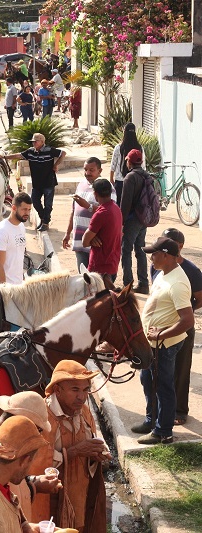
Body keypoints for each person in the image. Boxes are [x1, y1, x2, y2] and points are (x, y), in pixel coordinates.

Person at [30, 360, 111, 532]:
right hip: (49, 502)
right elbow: (32, 466)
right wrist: (74, 452)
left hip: (79, 498)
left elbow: (92, 443)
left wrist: (97, 455)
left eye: (85, 390)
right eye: (75, 390)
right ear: (58, 389)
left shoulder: (85, 412)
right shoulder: (41, 417)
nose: (82, 397)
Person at [131, 237, 194, 445]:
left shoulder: (178, 283)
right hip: (152, 343)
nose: (151, 257)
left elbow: (187, 320)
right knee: (148, 380)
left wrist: (161, 334)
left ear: (166, 255)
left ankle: (163, 432)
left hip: (165, 345)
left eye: (154, 253)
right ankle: (152, 421)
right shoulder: (162, 273)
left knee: (163, 386)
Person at [0, 392, 60, 522]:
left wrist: (33, 481)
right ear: (22, 424)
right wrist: (35, 487)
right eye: (38, 430)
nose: (37, 436)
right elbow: (0, 497)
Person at [154, 229, 202, 426]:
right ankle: (160, 411)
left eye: (169, 241)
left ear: (179, 247)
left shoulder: (191, 271)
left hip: (182, 326)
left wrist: (183, 314)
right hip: (159, 327)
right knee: (159, 370)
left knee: (180, 369)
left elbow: (200, 299)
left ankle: (180, 410)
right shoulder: (156, 266)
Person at [3, 133, 65, 232]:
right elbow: (19, 155)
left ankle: (45, 223)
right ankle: (44, 219)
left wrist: (56, 165)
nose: (34, 143)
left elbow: (63, 153)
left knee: (48, 204)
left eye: (36, 141)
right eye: (33, 142)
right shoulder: (30, 152)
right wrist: (4, 157)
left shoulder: (49, 150)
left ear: (42, 142)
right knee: (35, 202)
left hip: (48, 182)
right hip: (37, 183)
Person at [63, 158, 115, 270]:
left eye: (91, 170)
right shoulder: (81, 185)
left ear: (99, 171)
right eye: (85, 170)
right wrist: (68, 233)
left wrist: (88, 206)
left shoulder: (105, 187)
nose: (87, 173)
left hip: (95, 241)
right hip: (79, 240)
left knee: (96, 279)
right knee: (83, 277)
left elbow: (109, 212)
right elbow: (74, 211)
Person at [119, 149, 150, 293]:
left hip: (132, 219)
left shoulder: (130, 177)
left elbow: (125, 204)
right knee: (140, 250)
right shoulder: (146, 175)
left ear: (129, 162)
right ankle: (143, 283)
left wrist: (121, 222)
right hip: (144, 218)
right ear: (141, 161)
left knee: (126, 250)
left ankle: (128, 285)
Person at [82, 179, 122, 284]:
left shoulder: (101, 213)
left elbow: (85, 242)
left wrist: (91, 238)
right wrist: (93, 237)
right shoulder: (116, 208)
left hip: (100, 267)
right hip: (112, 263)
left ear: (95, 194)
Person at [0, 192, 31, 285]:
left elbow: (19, 256)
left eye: (29, 210)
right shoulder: (2, 231)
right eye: (24, 209)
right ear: (13, 208)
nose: (27, 213)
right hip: (6, 288)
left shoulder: (21, 226)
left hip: (19, 286)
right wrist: (5, 291)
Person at [109, 122, 141, 203]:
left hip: (120, 182)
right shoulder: (139, 148)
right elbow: (143, 166)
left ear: (124, 132)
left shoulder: (118, 148)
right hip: (134, 181)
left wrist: (111, 179)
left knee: (119, 205)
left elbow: (113, 164)